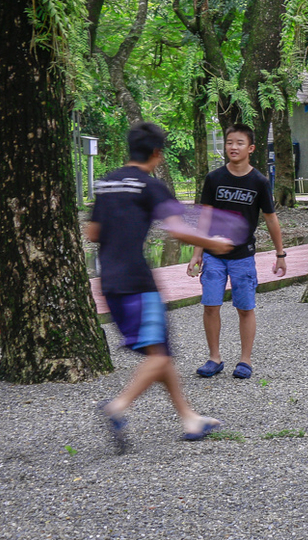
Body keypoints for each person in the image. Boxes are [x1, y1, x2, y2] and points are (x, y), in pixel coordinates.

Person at [88, 122, 234, 452]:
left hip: (109, 283)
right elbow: (178, 231)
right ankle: (117, 407)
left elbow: (93, 233)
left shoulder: (107, 182)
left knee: (160, 353)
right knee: (160, 355)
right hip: (138, 284)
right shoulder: (151, 186)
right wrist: (214, 242)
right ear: (157, 153)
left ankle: (189, 418)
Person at [188, 123, 287, 380]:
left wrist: (280, 254)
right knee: (211, 306)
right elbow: (204, 217)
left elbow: (271, 218)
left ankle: (245, 360)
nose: (233, 147)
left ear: (250, 148)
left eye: (239, 143)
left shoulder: (259, 181)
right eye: (229, 142)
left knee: (245, 308)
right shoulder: (214, 178)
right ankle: (214, 358)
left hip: (243, 257)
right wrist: (197, 252)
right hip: (213, 256)